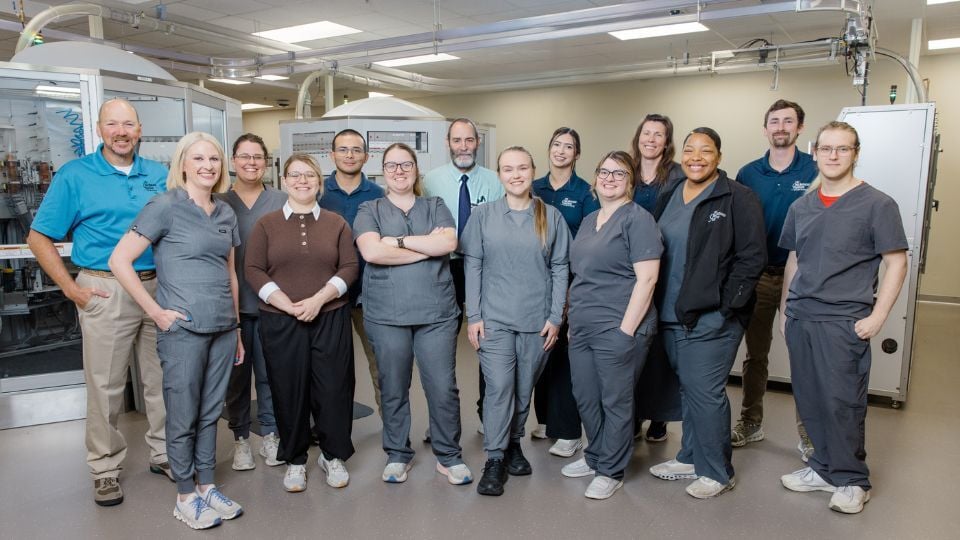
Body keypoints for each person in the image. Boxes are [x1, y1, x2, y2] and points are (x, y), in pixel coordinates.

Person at [26, 98, 171, 507]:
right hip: (105, 288)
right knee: (105, 385)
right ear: (99, 129)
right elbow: (39, 237)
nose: (121, 132)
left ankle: (163, 453)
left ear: (139, 130)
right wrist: (71, 289)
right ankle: (105, 468)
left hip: (156, 287)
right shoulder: (75, 175)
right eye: (113, 124)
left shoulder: (159, 174)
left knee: (162, 381)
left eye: (128, 124)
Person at [109, 131, 244, 530]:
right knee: (182, 413)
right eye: (198, 158)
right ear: (183, 164)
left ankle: (206, 486)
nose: (207, 166)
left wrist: (235, 328)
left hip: (222, 326)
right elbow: (120, 260)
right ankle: (184, 495)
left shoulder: (225, 213)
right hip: (182, 329)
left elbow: (230, 273)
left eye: (214, 159)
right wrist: (156, 312)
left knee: (209, 413)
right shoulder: (164, 206)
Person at [778, 121, 908, 514]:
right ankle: (822, 468)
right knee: (810, 399)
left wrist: (878, 316)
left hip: (844, 319)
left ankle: (852, 479)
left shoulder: (877, 204)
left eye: (843, 149)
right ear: (814, 152)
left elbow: (896, 262)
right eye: (827, 148)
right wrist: (787, 309)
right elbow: (794, 258)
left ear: (856, 153)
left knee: (842, 402)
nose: (833, 156)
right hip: (803, 315)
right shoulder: (802, 206)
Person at [648, 128, 766, 499]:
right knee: (689, 389)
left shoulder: (737, 198)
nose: (696, 157)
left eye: (706, 150)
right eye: (689, 150)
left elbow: (752, 258)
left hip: (712, 317)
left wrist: (727, 308)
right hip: (670, 313)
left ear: (718, 156)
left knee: (706, 391)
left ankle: (717, 471)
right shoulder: (669, 194)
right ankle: (689, 456)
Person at [353, 143, 471, 485]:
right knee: (392, 385)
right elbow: (372, 252)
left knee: (443, 386)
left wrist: (399, 242)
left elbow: (448, 244)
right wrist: (424, 247)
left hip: (436, 313)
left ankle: (448, 455)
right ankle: (397, 453)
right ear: (383, 171)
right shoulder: (369, 207)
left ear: (416, 169)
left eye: (406, 165)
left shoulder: (435, 205)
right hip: (385, 314)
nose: (399, 171)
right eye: (392, 165)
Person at [244, 153, 359, 493]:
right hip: (281, 320)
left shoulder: (336, 223)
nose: (302, 181)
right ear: (284, 181)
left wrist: (318, 300)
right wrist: (287, 304)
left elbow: (350, 266)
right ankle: (295, 460)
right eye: (295, 175)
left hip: (330, 316)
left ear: (319, 182)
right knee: (288, 389)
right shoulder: (266, 224)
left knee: (334, 388)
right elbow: (253, 269)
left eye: (309, 175)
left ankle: (332, 455)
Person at [461, 146, 569, 497]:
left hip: (537, 321)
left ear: (532, 170)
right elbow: (472, 266)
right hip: (494, 320)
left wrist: (556, 317)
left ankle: (514, 443)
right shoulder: (484, 216)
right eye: (508, 169)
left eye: (522, 168)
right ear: (499, 175)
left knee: (524, 388)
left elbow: (560, 267)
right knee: (500, 387)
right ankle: (494, 458)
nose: (516, 174)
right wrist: (473, 315)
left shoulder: (550, 216)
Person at [560, 151, 661, 501]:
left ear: (630, 181)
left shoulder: (638, 219)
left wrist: (625, 332)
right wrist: (572, 317)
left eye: (619, 173)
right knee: (586, 397)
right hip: (584, 326)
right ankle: (595, 456)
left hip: (619, 325)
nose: (610, 178)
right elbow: (580, 274)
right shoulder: (590, 220)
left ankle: (611, 469)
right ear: (595, 177)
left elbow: (647, 280)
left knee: (614, 400)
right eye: (604, 171)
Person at [733, 100, 818, 457]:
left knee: (805, 356)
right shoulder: (748, 174)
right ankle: (751, 423)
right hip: (762, 275)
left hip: (806, 277)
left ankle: (810, 436)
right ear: (765, 129)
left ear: (799, 128)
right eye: (774, 122)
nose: (780, 127)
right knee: (756, 354)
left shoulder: (815, 169)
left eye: (788, 121)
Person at [424, 118, 505, 430]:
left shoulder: (494, 181)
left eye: (469, 140)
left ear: (477, 143)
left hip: (483, 266)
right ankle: (442, 421)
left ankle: (488, 415)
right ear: (447, 143)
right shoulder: (430, 181)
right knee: (440, 345)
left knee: (488, 340)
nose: (463, 146)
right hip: (443, 267)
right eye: (457, 140)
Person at [217, 133, 287, 471]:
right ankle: (241, 438)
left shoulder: (282, 201)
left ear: (267, 162)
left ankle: (270, 434)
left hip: (271, 304)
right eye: (244, 156)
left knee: (271, 375)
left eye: (258, 156)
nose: (251, 162)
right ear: (233, 162)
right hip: (231, 307)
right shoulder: (217, 203)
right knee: (236, 378)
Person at [530, 127, 598, 458]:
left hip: (568, 281)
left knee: (562, 359)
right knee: (540, 351)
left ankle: (567, 430)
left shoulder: (585, 193)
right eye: (556, 144)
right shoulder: (533, 187)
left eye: (568, 146)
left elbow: (587, 243)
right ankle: (546, 420)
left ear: (577, 154)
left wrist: (572, 290)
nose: (561, 150)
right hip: (532, 282)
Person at [318, 129, 385, 415]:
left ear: (366, 156)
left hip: (369, 294)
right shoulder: (318, 192)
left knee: (381, 363)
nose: (350, 155)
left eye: (356, 150)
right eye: (343, 149)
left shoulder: (379, 195)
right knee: (330, 365)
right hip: (327, 294)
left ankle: (393, 432)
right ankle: (331, 427)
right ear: (332, 155)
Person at [628, 113, 686, 443]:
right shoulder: (628, 172)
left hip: (665, 270)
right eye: (646, 132)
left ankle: (659, 417)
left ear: (667, 141)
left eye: (658, 134)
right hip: (630, 271)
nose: (650, 139)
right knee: (634, 345)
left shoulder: (676, 176)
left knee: (661, 348)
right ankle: (633, 413)